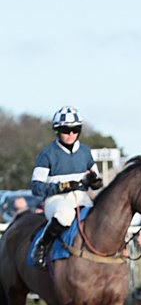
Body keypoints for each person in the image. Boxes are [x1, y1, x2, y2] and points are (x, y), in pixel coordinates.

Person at [31, 106, 103, 266]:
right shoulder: (47, 154)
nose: (71, 134)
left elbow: (97, 181)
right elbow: (36, 187)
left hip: (82, 198)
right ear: (57, 131)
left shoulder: (85, 151)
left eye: (75, 129)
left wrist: (95, 182)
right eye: (65, 130)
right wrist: (62, 186)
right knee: (65, 214)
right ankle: (42, 245)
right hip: (56, 200)